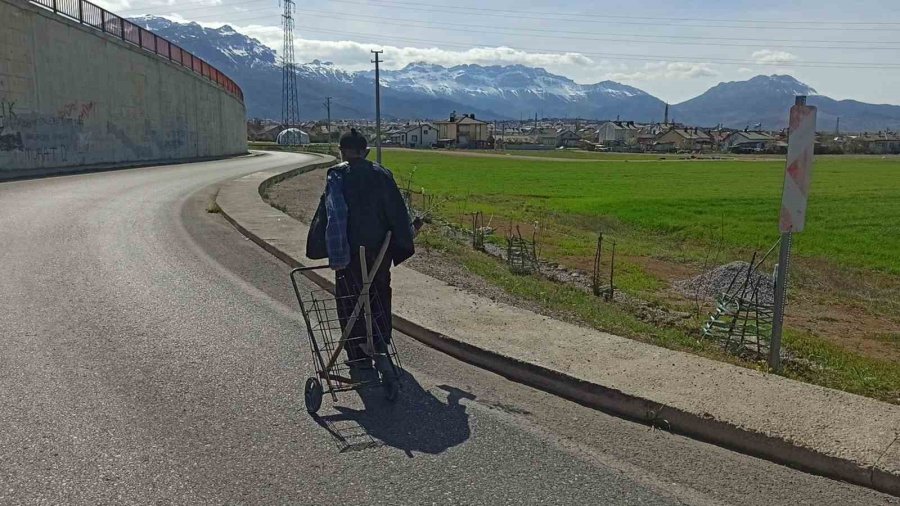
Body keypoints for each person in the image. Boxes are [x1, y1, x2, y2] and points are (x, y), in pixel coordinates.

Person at [306, 128, 419, 400]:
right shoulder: (382, 175)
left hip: (346, 254)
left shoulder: (337, 177)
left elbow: (327, 215)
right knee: (378, 297)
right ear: (365, 152)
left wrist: (320, 247)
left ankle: (357, 354)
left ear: (341, 151)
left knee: (349, 299)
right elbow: (397, 213)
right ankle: (379, 343)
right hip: (377, 253)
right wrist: (403, 240)